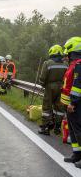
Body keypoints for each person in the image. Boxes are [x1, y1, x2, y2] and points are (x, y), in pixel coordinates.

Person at [38, 45, 68, 135]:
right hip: (61, 87)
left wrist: (42, 84)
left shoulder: (47, 63)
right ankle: (57, 128)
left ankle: (46, 128)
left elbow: (43, 78)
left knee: (47, 107)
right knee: (59, 108)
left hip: (49, 88)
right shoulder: (65, 64)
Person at [62, 37, 81, 168]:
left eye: (67, 54)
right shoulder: (74, 64)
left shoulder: (79, 65)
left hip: (77, 105)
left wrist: (73, 103)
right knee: (74, 131)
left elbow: (77, 86)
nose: (66, 57)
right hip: (71, 105)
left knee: (79, 131)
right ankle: (77, 154)